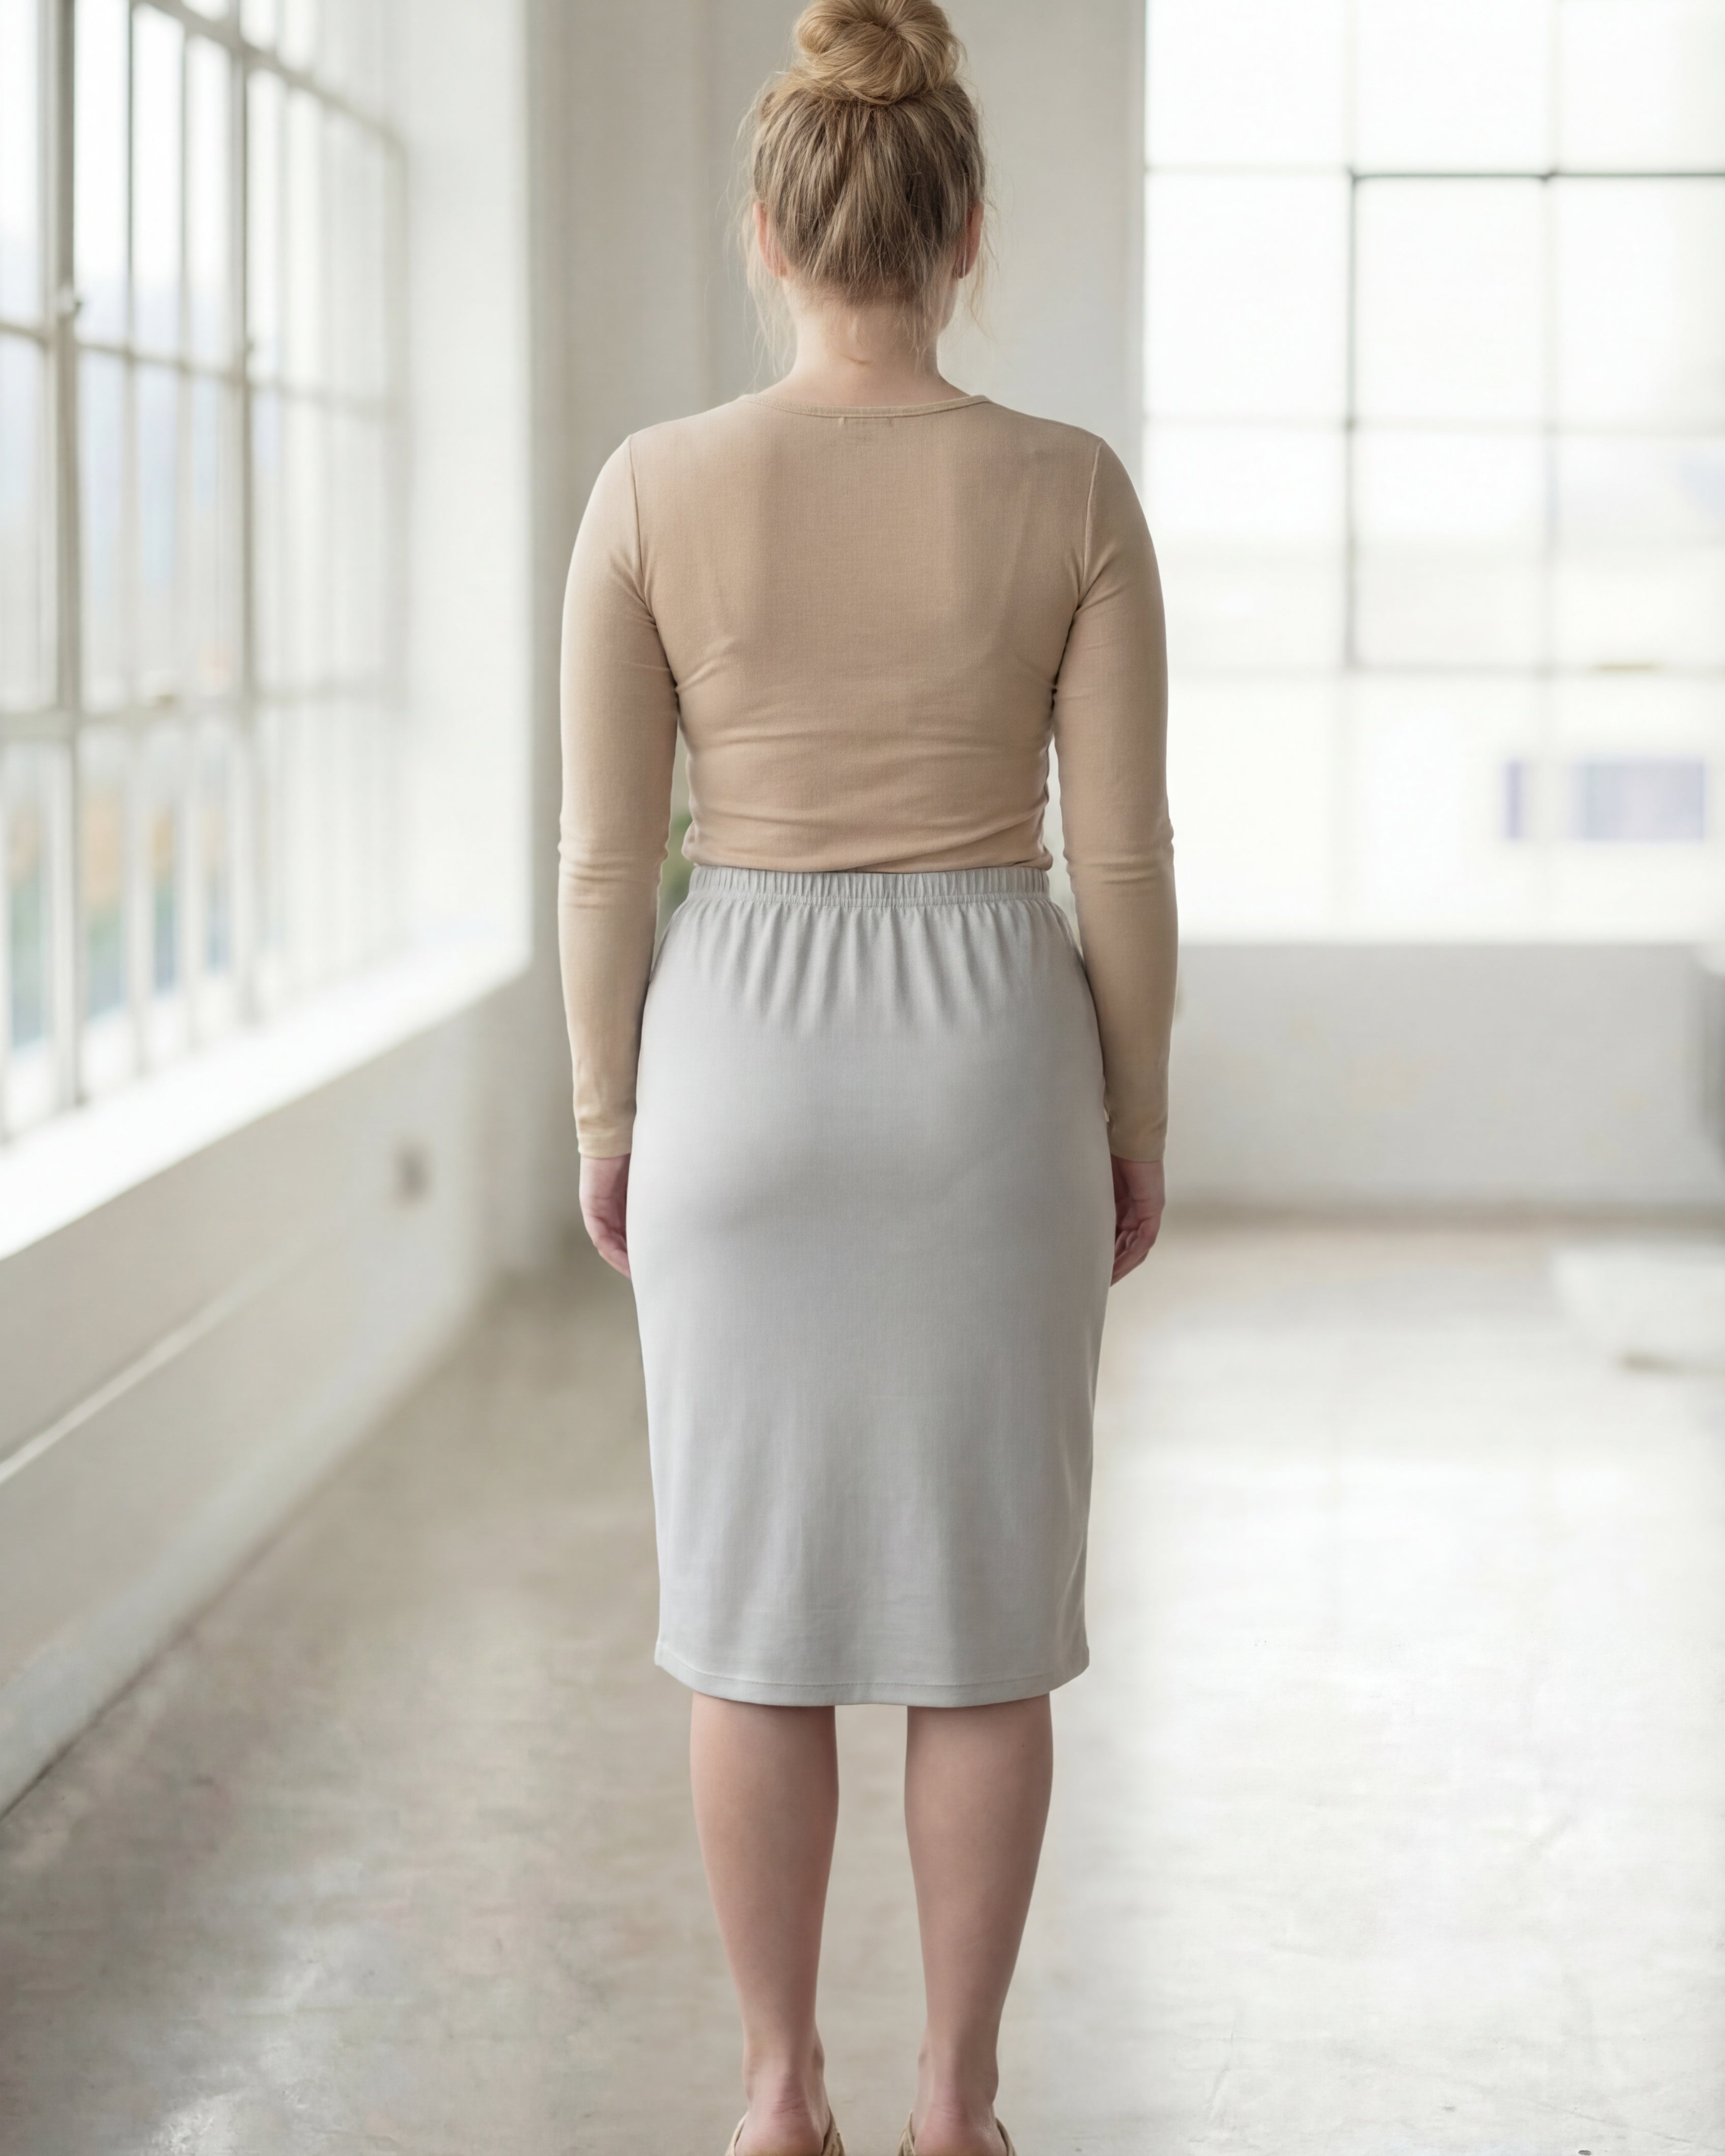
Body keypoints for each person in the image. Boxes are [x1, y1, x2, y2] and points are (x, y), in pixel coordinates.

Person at [557, 2, 1175, 2149]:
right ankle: (954, 2106)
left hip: (733, 1054)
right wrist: (1131, 1123)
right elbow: (1121, 860)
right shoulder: (1069, 490)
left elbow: (605, 859)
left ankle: (774, 2093)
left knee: (753, 1623)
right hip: (988, 1064)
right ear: (964, 229)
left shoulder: (652, 489)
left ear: (768, 231)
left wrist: (608, 1120)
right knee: (980, 1629)